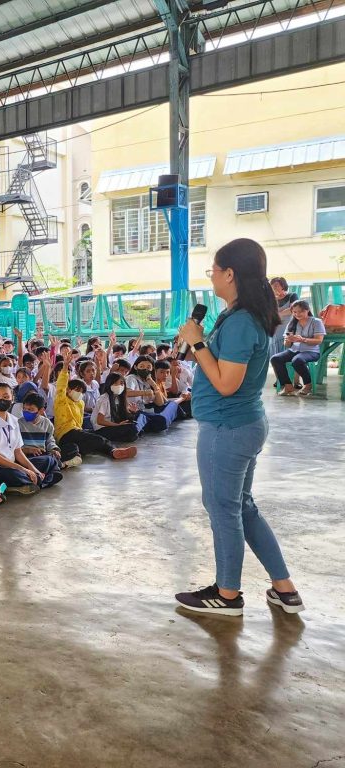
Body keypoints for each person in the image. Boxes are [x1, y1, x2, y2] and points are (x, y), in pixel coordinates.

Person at [174, 238, 303, 616]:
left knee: (223, 509)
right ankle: (284, 588)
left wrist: (197, 344)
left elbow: (226, 383)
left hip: (227, 429)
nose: (211, 278)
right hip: (243, 423)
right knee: (241, 507)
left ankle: (227, 594)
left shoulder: (242, 321)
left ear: (230, 274)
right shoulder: (242, 315)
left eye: (213, 271)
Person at [270, 299, 325, 397]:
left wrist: (303, 339)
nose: (297, 314)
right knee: (275, 358)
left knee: (297, 360)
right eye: (294, 312)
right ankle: (288, 386)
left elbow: (318, 340)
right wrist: (288, 340)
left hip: (311, 351)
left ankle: (308, 385)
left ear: (307, 310)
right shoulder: (292, 323)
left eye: (300, 311)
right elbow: (287, 345)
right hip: (294, 350)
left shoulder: (316, 322)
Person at [269, 277, 298, 357]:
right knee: (275, 354)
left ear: (283, 285)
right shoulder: (271, 299)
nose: (274, 287)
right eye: (272, 285)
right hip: (275, 329)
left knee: (287, 351)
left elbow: (293, 309)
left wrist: (278, 314)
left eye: (276, 285)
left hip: (288, 328)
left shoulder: (292, 295)